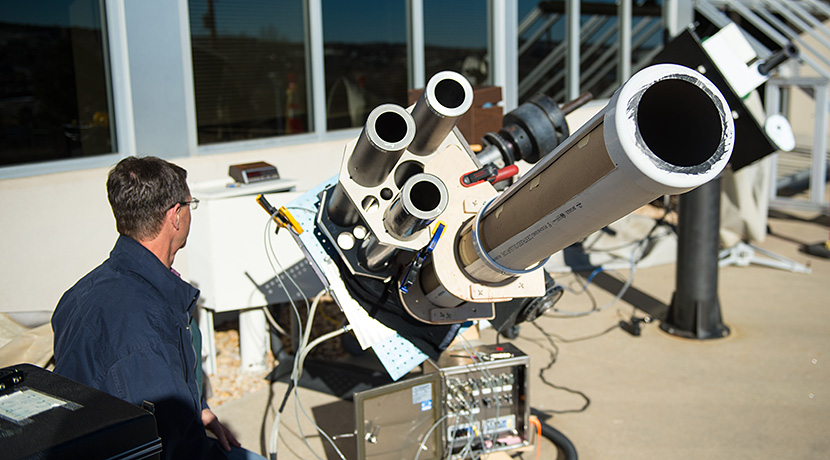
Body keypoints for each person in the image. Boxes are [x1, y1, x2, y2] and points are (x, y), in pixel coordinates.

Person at [52, 156, 265, 460]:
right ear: (175, 216)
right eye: (191, 205)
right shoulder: (145, 330)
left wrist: (198, 408)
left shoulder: (79, 293)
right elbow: (172, 445)